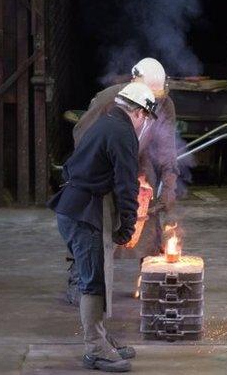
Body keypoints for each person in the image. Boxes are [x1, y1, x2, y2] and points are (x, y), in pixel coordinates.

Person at [48, 82, 158, 372]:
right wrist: (129, 224)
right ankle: (95, 350)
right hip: (85, 214)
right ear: (138, 113)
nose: (144, 123)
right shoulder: (123, 133)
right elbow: (126, 185)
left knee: (96, 277)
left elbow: (72, 167)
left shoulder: (103, 122)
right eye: (145, 117)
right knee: (93, 281)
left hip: (72, 208)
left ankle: (102, 338)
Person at [66, 58, 179, 302]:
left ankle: (151, 277)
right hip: (104, 166)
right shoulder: (108, 100)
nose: (154, 104)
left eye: (158, 98)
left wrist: (169, 186)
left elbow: (167, 149)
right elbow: (83, 138)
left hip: (139, 162)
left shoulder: (165, 104)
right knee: (97, 225)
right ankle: (82, 277)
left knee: (146, 218)